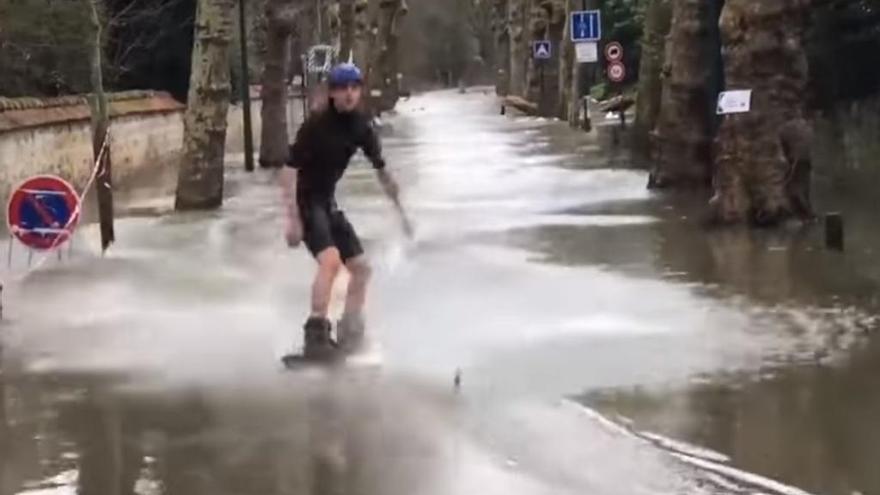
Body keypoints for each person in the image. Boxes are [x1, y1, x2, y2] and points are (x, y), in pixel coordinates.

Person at [280, 63, 411, 360]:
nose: (349, 94)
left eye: (354, 87)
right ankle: (315, 335)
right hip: (306, 202)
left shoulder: (361, 126)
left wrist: (397, 202)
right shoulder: (315, 125)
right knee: (331, 262)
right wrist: (291, 219)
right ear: (332, 93)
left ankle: (350, 332)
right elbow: (288, 171)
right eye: (342, 88)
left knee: (362, 268)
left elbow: (381, 168)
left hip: (327, 202)